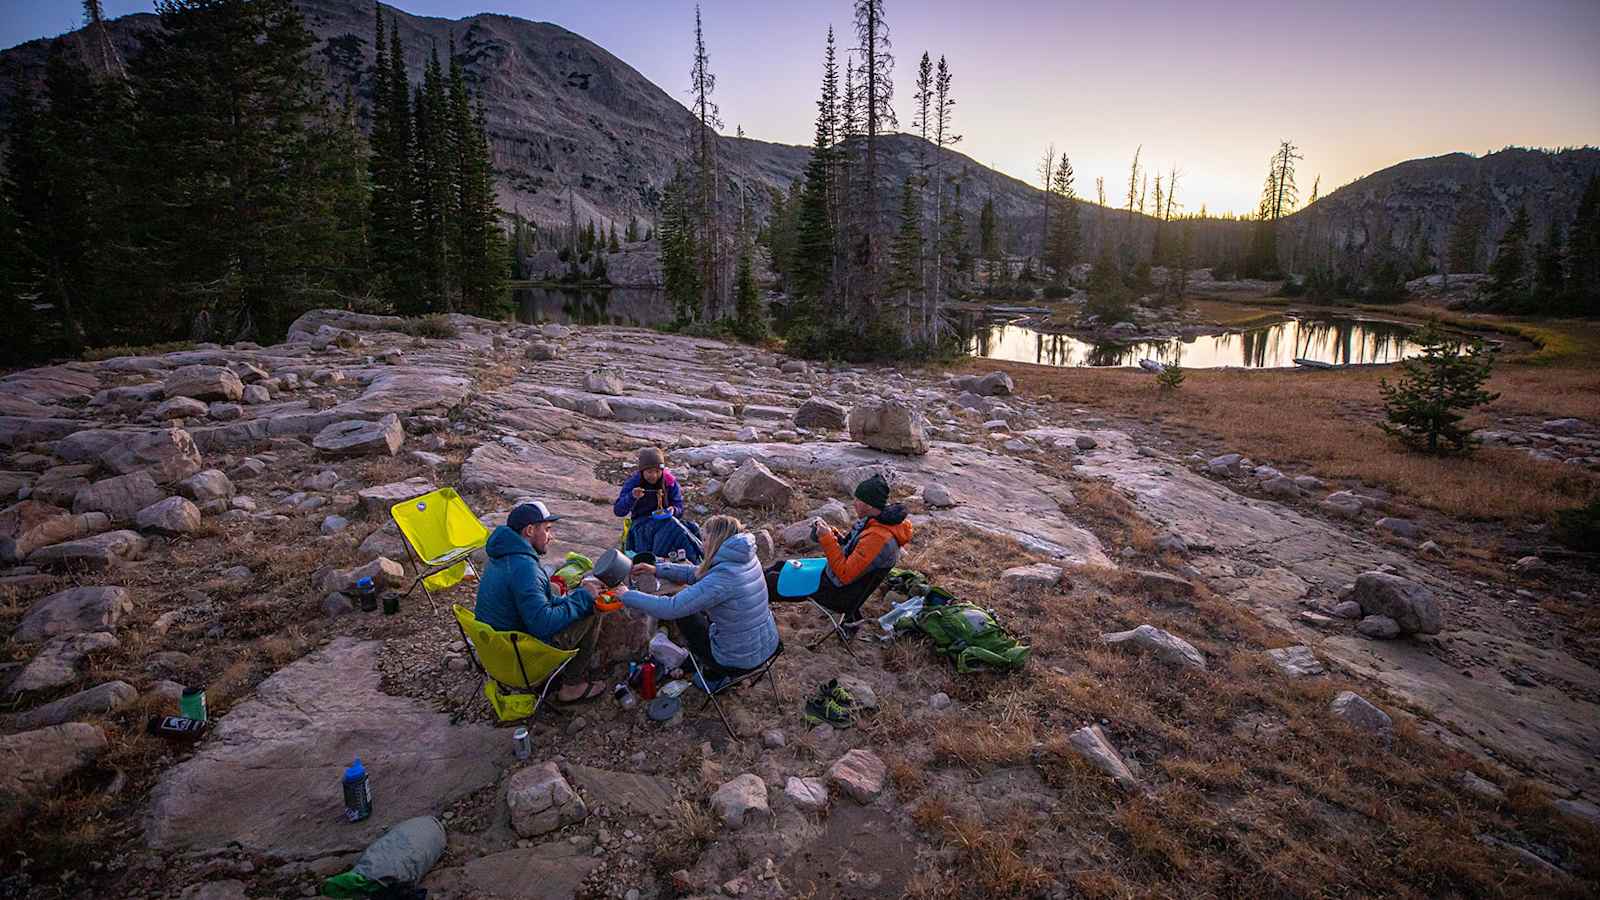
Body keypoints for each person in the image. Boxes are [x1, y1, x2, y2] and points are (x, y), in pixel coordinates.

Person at [620, 515, 779, 691]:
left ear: (716, 540)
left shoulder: (722, 578)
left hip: (737, 659)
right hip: (768, 643)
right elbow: (698, 573)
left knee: (685, 614)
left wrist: (627, 595)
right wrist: (658, 569)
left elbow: (670, 608)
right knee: (698, 605)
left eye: (704, 539)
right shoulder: (744, 557)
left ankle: (713, 675)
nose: (702, 544)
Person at [475, 501, 609, 703]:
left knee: (564, 596)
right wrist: (583, 597)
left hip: (497, 653)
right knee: (591, 609)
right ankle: (571, 686)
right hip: (522, 657)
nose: (551, 536)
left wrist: (570, 597)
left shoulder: (501, 556)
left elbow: (535, 601)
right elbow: (542, 624)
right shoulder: (524, 568)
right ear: (530, 530)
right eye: (547, 530)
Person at [768, 474, 912, 629]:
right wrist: (833, 535)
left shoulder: (878, 538)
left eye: (858, 500)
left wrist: (827, 539)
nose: (854, 503)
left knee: (770, 582)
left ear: (869, 505)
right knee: (781, 566)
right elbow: (853, 550)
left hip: (838, 592)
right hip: (835, 578)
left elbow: (844, 575)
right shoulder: (876, 523)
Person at [614, 447, 701, 563]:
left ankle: (697, 558)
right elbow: (618, 510)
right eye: (649, 472)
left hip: (664, 521)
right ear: (642, 471)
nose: (654, 476)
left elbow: (679, 506)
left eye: (657, 471)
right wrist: (632, 497)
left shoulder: (669, 482)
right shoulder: (634, 482)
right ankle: (697, 562)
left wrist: (674, 510)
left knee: (693, 527)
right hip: (641, 526)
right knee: (672, 525)